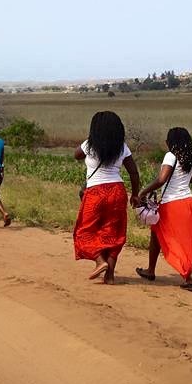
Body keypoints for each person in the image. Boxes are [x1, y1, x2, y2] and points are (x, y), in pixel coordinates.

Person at [73, 111, 141, 284]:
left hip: (95, 192)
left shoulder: (89, 144)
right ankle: (109, 275)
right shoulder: (122, 147)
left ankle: (99, 260)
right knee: (113, 233)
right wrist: (135, 194)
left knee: (84, 231)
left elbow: (76, 155)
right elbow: (134, 173)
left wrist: (91, 139)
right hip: (117, 192)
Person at [135, 127, 192, 291]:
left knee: (168, 238)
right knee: (182, 239)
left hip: (171, 204)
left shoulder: (171, 156)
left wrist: (143, 192)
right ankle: (155, 271)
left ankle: (186, 278)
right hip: (188, 202)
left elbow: (161, 179)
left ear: (170, 142)